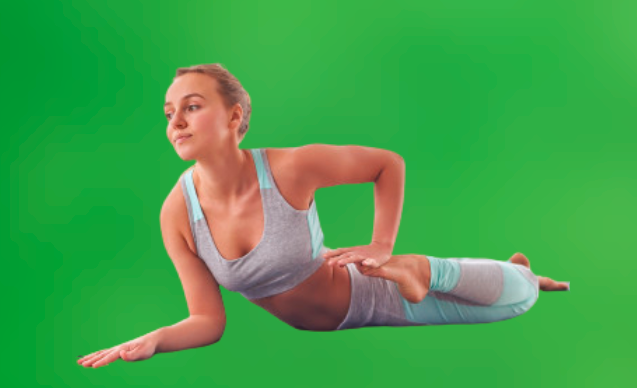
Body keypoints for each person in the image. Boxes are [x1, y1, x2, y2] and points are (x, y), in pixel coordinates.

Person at [77, 63, 569, 368]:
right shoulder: (177, 215)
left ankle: (437, 271)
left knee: (517, 301)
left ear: (233, 117)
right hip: (332, 320)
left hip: (365, 288)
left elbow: (386, 164)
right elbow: (208, 320)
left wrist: (381, 247)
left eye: (192, 106)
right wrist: (157, 339)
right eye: (168, 113)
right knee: (518, 283)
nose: (176, 121)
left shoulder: (290, 168)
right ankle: (520, 270)